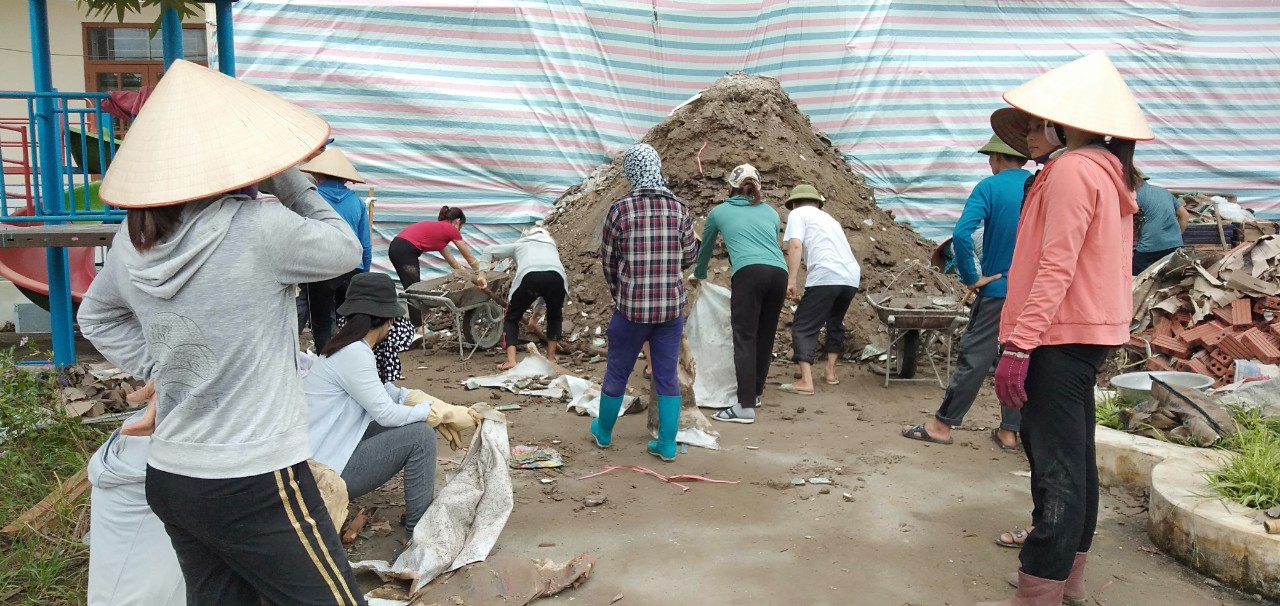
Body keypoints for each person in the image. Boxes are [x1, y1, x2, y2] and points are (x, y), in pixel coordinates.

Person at [78, 60, 368, 605]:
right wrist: (287, 177)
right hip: (254, 478)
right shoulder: (260, 228)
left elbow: (96, 317)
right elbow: (346, 248)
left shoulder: (133, 242)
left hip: (172, 475)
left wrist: (167, 367)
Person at [980, 52, 1150, 606]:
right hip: (1084, 332)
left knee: (1055, 465)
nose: (1028, 135)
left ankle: (1039, 589)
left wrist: (1020, 344)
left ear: (1065, 123)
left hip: (1056, 334)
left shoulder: (1074, 170)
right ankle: (1065, 579)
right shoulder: (1107, 170)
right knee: (1074, 460)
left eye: (1036, 124)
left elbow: (1057, 265)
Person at [304, 272, 482, 541]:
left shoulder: (345, 347)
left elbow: (385, 393)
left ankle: (418, 513)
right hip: (326, 473)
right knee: (420, 436)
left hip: (322, 457)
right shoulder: (355, 353)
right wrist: (431, 413)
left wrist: (433, 404)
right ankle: (418, 533)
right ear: (386, 320)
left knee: (414, 423)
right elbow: (386, 413)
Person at [901, 133, 1029, 449]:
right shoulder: (1038, 184)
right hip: (1031, 293)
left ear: (997, 158)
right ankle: (1010, 432)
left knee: (975, 356)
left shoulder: (990, 187)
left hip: (997, 289)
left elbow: (961, 234)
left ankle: (941, 426)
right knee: (1017, 356)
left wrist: (972, 277)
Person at [591, 143, 699, 461]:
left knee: (618, 370)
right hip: (670, 309)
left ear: (631, 171)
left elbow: (608, 262)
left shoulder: (619, 210)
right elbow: (689, 256)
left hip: (631, 309)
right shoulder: (679, 209)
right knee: (666, 375)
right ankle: (666, 444)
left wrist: (620, 293)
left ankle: (603, 432)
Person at [691, 164, 788, 424]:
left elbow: (705, 249)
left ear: (730, 187)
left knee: (745, 337)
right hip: (779, 273)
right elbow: (768, 244)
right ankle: (754, 393)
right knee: (765, 336)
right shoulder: (771, 213)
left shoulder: (719, 212)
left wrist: (699, 275)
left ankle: (744, 406)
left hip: (749, 273)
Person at [776, 184, 862, 396]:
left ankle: (806, 382)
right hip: (850, 277)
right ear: (817, 203)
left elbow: (795, 246)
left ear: (794, 204)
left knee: (803, 325)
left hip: (825, 275)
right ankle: (830, 373)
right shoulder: (830, 219)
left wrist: (791, 281)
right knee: (835, 321)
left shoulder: (797, 214)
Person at [299, 147, 372, 351]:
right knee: (352, 321)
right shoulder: (357, 202)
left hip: (321, 267)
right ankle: (350, 357)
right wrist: (363, 273)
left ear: (317, 174)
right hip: (352, 266)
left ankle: (326, 358)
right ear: (345, 178)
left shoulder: (312, 199)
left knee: (322, 321)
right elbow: (365, 244)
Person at [483, 226, 569, 372]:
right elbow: (545, 286)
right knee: (555, 317)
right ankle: (550, 358)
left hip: (529, 277)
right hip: (557, 277)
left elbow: (488, 250)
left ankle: (511, 361)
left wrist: (482, 275)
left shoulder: (521, 244)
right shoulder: (551, 247)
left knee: (511, 318)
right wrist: (534, 317)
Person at [389, 207, 487, 328]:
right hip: (405, 249)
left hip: (397, 247)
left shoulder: (439, 230)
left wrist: (463, 272)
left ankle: (415, 324)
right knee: (413, 290)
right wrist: (482, 271)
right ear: (457, 221)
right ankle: (418, 327)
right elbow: (469, 256)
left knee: (411, 288)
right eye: (461, 226)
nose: (459, 230)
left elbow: (453, 262)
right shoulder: (451, 229)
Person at [1132, 168, 1190, 274]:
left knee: (1136, 277)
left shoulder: (1135, 196)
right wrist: (1175, 236)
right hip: (1175, 245)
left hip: (1150, 248)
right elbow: (1185, 216)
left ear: (1132, 180)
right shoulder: (1164, 192)